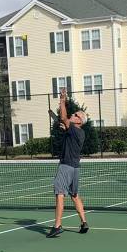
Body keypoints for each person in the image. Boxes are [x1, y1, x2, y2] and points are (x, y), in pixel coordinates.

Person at [47, 90, 89, 238]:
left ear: (79, 121)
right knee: (75, 195)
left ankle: (57, 226)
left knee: (60, 194)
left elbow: (64, 117)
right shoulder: (79, 132)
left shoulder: (74, 129)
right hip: (75, 168)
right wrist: (66, 129)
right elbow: (67, 127)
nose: (73, 114)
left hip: (66, 166)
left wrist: (62, 100)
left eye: (75, 114)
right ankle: (84, 222)